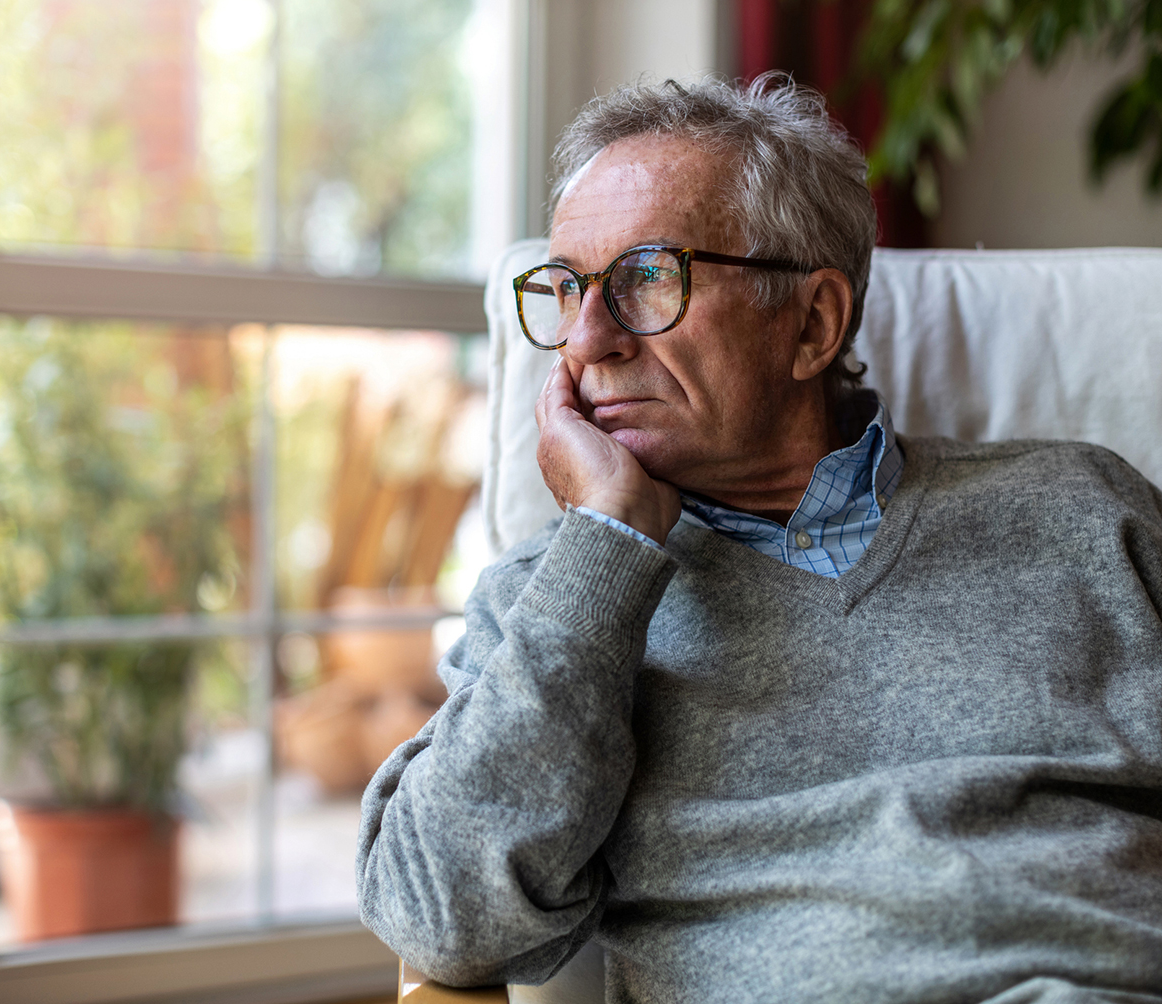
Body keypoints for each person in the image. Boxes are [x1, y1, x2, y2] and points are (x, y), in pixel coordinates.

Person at [356, 74, 1162, 1003]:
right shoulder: (560, 600)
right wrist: (606, 547)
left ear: (813, 323)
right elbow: (440, 921)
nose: (585, 342)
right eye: (570, 290)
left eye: (647, 277)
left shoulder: (1086, 510)